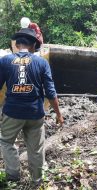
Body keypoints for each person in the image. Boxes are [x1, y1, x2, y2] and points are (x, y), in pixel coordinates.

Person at [0, 28, 63, 185]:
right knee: (35, 149)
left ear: (16, 44)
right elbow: (50, 92)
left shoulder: (5, 61)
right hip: (35, 113)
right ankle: (37, 181)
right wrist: (58, 114)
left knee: (7, 142)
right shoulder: (42, 63)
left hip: (12, 113)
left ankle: (13, 177)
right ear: (34, 44)